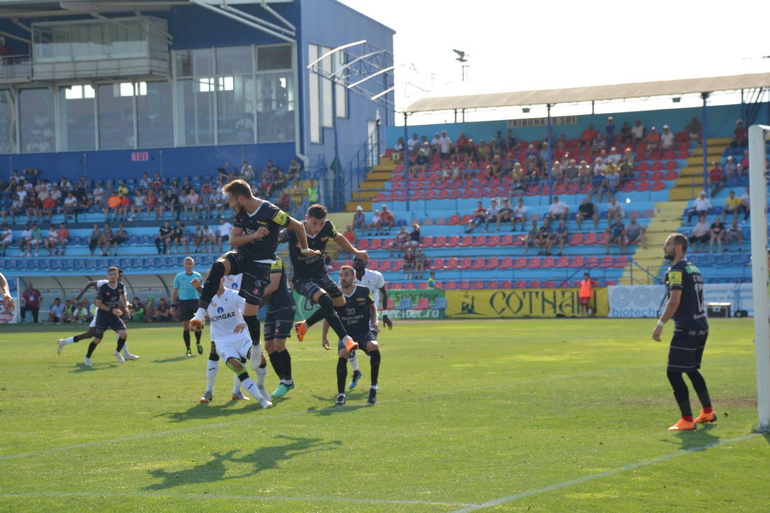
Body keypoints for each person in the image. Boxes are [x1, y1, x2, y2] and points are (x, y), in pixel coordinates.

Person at [188, 179, 316, 376]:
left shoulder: (270, 212)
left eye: (231, 199)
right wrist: (254, 235)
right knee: (218, 266)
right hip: (243, 254)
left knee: (249, 314)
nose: (230, 204)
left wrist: (306, 250)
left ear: (241, 197)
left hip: (261, 264)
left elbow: (298, 226)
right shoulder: (240, 213)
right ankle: (200, 312)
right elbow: (233, 240)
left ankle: (255, 346)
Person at [652, 233, 715, 431]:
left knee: (673, 372)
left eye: (667, 244)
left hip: (687, 328)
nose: (664, 248)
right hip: (701, 325)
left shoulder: (677, 269)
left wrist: (660, 324)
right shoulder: (692, 267)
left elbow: (674, 301)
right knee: (691, 370)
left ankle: (687, 420)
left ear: (678, 247)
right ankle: (707, 411)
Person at [289, 204, 368, 354]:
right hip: (302, 279)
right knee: (325, 299)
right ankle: (347, 339)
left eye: (321, 223)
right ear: (306, 219)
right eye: (314, 223)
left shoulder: (327, 227)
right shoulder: (295, 229)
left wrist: (355, 251)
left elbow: (338, 237)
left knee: (340, 303)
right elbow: (275, 238)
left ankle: (304, 325)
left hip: (321, 275)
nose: (317, 227)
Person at [197, 277, 273, 409]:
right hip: (222, 342)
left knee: (260, 358)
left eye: (217, 279)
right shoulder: (207, 299)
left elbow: (249, 311)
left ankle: (260, 385)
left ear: (223, 279)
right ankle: (261, 400)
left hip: (241, 338)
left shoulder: (233, 295)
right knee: (238, 367)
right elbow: (200, 315)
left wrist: (243, 322)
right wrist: (197, 322)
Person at [321, 266, 382, 405]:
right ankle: (341, 394)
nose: (343, 278)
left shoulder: (364, 291)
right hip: (346, 336)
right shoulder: (334, 295)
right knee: (343, 354)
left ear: (353, 277)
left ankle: (373, 387)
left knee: (373, 346)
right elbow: (328, 316)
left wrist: (374, 322)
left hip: (363, 333)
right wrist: (324, 336)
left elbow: (372, 307)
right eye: (341, 275)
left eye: (346, 275)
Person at [57, 270, 139, 360]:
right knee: (90, 334)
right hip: (102, 313)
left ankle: (126, 353)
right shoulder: (105, 283)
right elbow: (91, 283)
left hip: (113, 313)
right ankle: (64, 342)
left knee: (121, 332)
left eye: (119, 276)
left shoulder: (121, 287)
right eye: (116, 275)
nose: (118, 277)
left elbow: (122, 299)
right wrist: (79, 296)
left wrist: (127, 305)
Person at [82, 267, 132, 367]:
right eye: (111, 274)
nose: (113, 276)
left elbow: (123, 296)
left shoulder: (121, 286)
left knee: (124, 334)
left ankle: (117, 352)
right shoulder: (103, 288)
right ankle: (87, 357)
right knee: (97, 340)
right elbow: (98, 304)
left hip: (114, 317)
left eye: (115, 274)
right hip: (103, 317)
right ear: (107, 276)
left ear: (118, 275)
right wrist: (112, 310)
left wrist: (126, 308)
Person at [172, 257, 204, 357]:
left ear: (193, 265)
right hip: (184, 302)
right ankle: (188, 349)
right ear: (184, 265)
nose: (188, 265)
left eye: (190, 263)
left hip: (195, 302)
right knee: (185, 325)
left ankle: (198, 342)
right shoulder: (179, 276)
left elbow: (201, 290)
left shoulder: (197, 275)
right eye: (187, 263)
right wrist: (173, 305)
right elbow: (175, 291)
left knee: (197, 325)